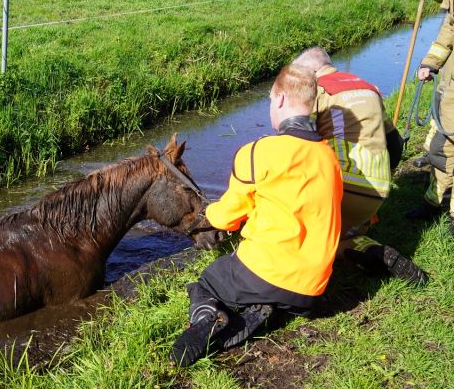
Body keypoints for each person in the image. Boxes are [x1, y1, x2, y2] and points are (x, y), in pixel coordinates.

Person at [171, 65, 342, 367]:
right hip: (312, 289)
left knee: (206, 283)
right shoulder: (329, 156)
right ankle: (267, 311)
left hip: (267, 272)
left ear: (280, 99)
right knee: (274, 291)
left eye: (270, 101)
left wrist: (208, 212)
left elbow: (227, 217)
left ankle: (208, 319)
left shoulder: (257, 152)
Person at [292, 47, 428, 285]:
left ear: (312, 72)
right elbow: (395, 143)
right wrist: (387, 177)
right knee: (342, 230)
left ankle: (359, 249)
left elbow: (298, 144)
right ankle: (366, 245)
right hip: (377, 188)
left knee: (302, 234)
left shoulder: (317, 92)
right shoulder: (368, 87)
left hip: (340, 187)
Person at [406, 0, 454, 235]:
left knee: (446, 149)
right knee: (441, 147)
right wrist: (430, 63)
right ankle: (434, 201)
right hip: (448, 84)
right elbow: (450, 26)